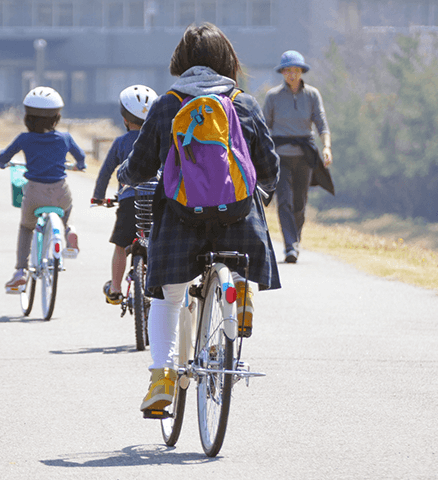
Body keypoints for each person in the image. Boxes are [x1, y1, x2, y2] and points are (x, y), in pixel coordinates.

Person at [117, 22, 281, 412]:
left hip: (180, 218)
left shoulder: (168, 103)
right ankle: (239, 293)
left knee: (168, 298)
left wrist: (123, 176)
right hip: (237, 217)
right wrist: (258, 198)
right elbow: (269, 166)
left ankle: (161, 380)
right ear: (227, 59)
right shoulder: (244, 103)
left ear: (182, 61)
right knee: (237, 256)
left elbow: (139, 166)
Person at [0, 86, 86, 292]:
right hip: (59, 191)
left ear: (27, 117)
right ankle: (70, 234)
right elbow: (80, 157)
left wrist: (2, 162)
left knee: (26, 227)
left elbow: (4, 156)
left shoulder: (24, 139)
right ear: (56, 117)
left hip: (34, 192)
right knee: (67, 215)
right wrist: (80, 166)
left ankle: (20, 271)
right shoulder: (65, 138)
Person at [263, 50, 334, 264]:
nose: (292, 74)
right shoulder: (273, 96)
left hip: (304, 155)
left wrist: (326, 147)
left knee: (300, 202)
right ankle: (290, 246)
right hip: (281, 155)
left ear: (302, 71)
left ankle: (295, 239)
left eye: (296, 70)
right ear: (282, 73)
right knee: (283, 201)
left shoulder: (312, 95)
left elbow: (321, 123)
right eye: (288, 70)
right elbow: (264, 127)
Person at [92, 85, 158, 305]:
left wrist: (99, 197)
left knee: (121, 245)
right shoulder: (158, 139)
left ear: (124, 117)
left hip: (130, 202)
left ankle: (116, 288)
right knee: (159, 241)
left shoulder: (120, 142)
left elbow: (105, 172)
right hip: (159, 199)